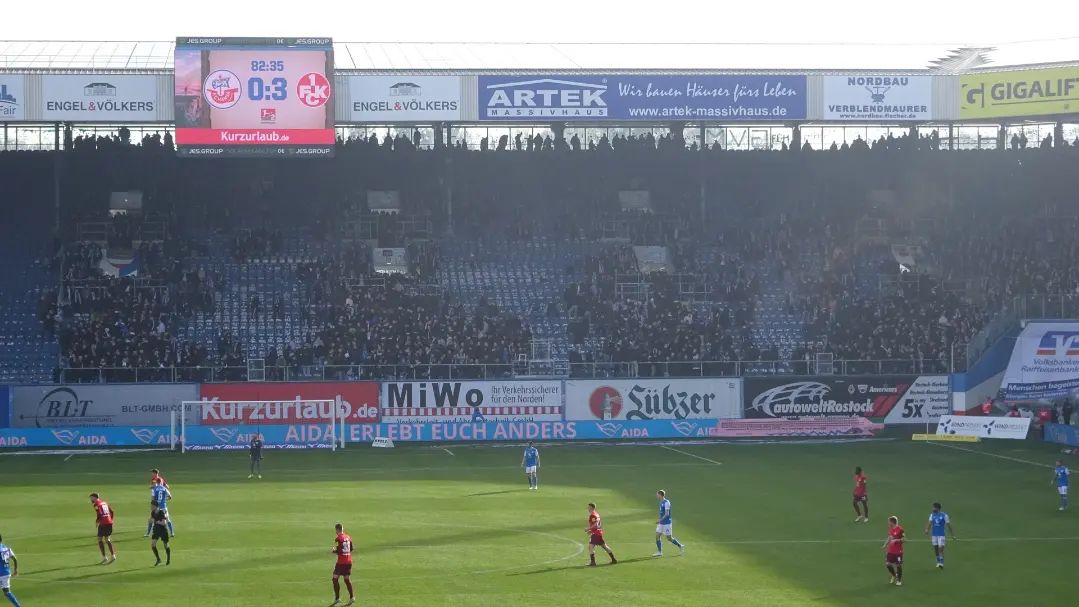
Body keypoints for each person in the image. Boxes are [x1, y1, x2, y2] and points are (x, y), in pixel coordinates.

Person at [653, 490, 685, 557]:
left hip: (667, 523)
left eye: (657, 494)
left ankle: (680, 546)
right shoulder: (661, 502)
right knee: (657, 536)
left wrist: (659, 520)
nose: (656, 496)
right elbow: (662, 513)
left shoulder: (667, 502)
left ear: (661, 495)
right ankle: (660, 552)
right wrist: (659, 520)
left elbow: (667, 514)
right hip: (661, 523)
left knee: (669, 538)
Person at [924, 502, 956, 568]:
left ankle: (941, 562)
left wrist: (953, 535)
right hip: (934, 534)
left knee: (940, 548)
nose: (932, 508)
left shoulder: (944, 515)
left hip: (941, 535)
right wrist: (927, 529)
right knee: (936, 548)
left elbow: (949, 525)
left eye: (933, 507)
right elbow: (930, 522)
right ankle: (938, 561)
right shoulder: (932, 515)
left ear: (937, 508)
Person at [330, 523, 355, 606]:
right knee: (347, 579)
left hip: (341, 562)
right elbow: (351, 549)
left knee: (334, 579)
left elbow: (339, 550)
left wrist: (334, 551)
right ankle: (352, 598)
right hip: (348, 561)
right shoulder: (348, 537)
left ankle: (337, 599)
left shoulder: (338, 538)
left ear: (337, 530)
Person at [90, 492, 116, 564]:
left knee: (99, 539)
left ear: (95, 497)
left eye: (91, 498)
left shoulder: (96, 504)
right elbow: (112, 512)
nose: (91, 499)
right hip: (109, 522)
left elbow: (99, 514)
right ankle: (113, 555)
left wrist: (97, 522)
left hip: (103, 523)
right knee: (107, 539)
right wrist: (111, 520)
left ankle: (104, 557)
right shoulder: (104, 502)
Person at [0, 534, 21, 607]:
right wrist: (15, 569)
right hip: (6, 572)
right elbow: (14, 558)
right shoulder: (6, 548)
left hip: (1, 573)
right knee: (7, 592)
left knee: (7, 592)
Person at [884, 516, 905, 586]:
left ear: (892, 522)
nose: (888, 523)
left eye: (889, 522)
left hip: (898, 551)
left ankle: (899, 580)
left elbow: (904, 539)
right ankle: (894, 575)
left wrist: (896, 540)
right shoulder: (891, 529)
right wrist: (885, 544)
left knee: (898, 565)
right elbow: (890, 537)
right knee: (888, 564)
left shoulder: (900, 529)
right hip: (891, 550)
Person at [149, 500, 171, 566]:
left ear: (156, 506)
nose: (151, 507)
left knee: (165, 545)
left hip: (163, 530)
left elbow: (164, 523)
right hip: (156, 529)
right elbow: (152, 520)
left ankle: (168, 559)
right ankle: (158, 559)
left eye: (152, 506)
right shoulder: (152, 512)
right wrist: (152, 521)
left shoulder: (161, 512)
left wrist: (156, 521)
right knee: (153, 545)